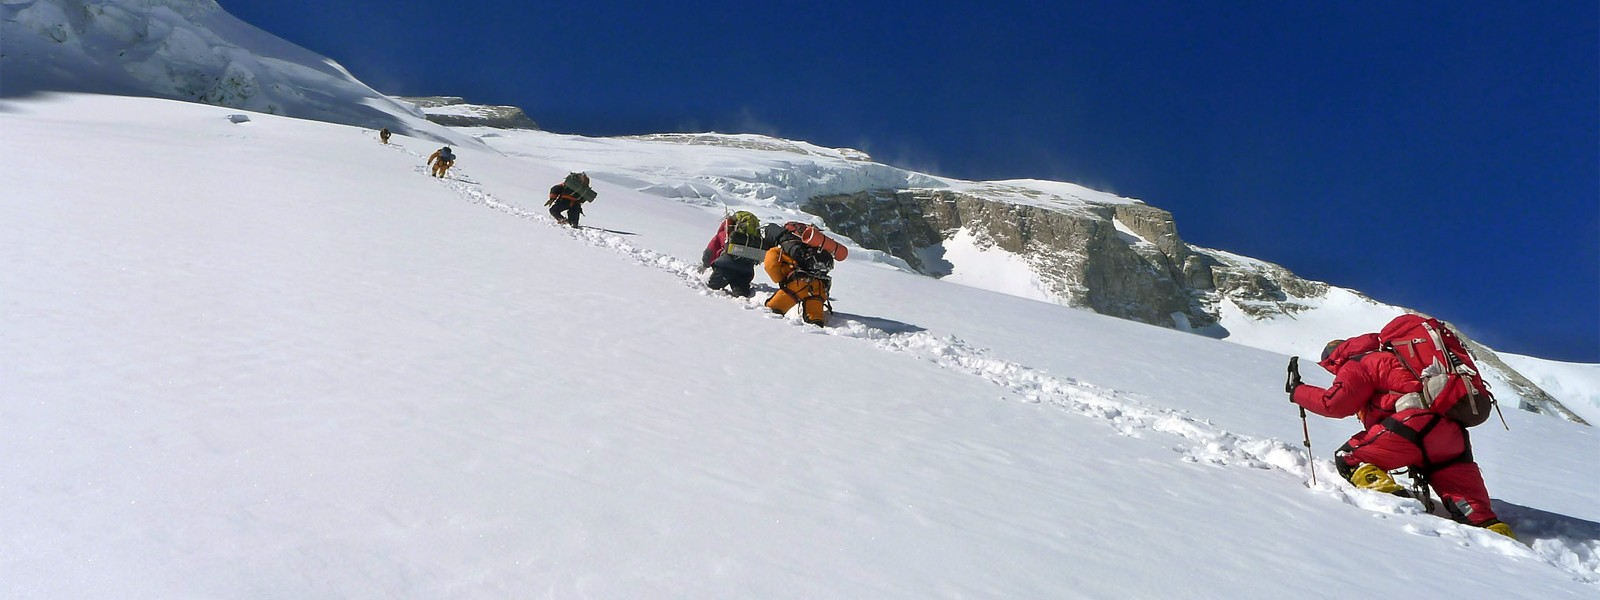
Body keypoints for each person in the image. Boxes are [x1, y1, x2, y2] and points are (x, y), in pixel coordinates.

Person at [1288, 335, 1515, 539]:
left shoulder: (1356, 362)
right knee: (1474, 509)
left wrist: (1297, 391)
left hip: (1410, 427)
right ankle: (1504, 542)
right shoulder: (1397, 356)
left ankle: (1397, 507)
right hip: (1451, 435)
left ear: (1334, 359)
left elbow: (1335, 404)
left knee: (1350, 457)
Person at [761, 222, 846, 326]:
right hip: (819, 288)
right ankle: (819, 339)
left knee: (771, 312)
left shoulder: (783, 250)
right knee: (815, 321)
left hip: (796, 286)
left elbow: (771, 265)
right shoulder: (819, 248)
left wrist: (780, 279)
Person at [700, 211, 767, 297]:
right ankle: (741, 294)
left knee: (711, 289)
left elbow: (711, 250)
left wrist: (705, 263)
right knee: (741, 294)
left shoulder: (727, 233)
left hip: (724, 267)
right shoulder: (754, 238)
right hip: (746, 271)